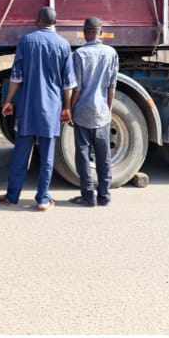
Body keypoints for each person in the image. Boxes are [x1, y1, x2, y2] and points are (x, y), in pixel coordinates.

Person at [0, 6, 75, 211]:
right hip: (51, 108)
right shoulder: (63, 45)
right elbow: (68, 83)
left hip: (27, 107)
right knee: (47, 155)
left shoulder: (26, 41)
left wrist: (8, 101)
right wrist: (67, 107)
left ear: (37, 20)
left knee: (21, 154)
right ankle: (42, 198)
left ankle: (12, 196)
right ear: (55, 22)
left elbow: (17, 76)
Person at [68, 17, 119, 207]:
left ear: (84, 32)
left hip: (82, 111)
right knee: (103, 155)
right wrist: (109, 108)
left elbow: (77, 87)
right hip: (102, 113)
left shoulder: (79, 55)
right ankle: (105, 195)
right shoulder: (111, 53)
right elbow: (112, 85)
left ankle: (88, 196)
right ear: (102, 32)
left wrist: (70, 109)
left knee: (82, 154)